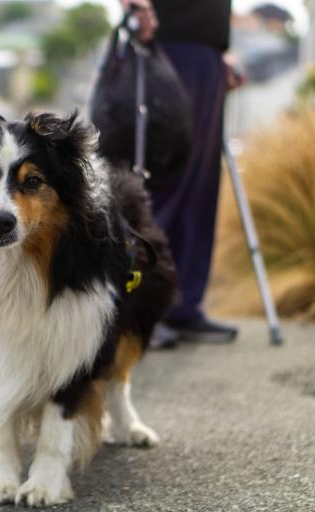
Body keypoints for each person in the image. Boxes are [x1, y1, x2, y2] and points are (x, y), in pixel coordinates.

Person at [119, 0, 245, 348]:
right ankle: (144, 310)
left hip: (205, 53)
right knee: (166, 177)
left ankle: (183, 306)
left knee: (200, 186)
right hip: (166, 43)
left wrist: (218, 51)